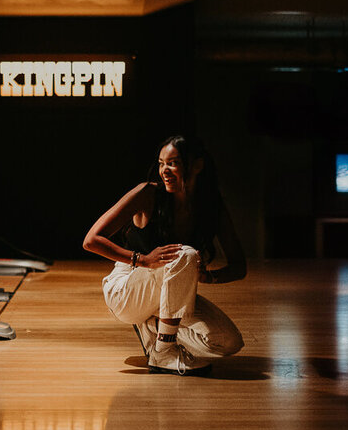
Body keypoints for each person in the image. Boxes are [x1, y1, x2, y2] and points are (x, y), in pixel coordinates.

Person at [83, 134, 246, 375]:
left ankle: (156, 330)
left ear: (197, 165)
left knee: (228, 342)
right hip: (126, 290)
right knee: (184, 253)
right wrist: (142, 260)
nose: (164, 171)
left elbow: (239, 266)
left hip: (166, 295)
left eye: (173, 163)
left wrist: (207, 277)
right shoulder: (148, 194)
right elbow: (91, 240)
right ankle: (163, 352)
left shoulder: (211, 205)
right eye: (161, 163)